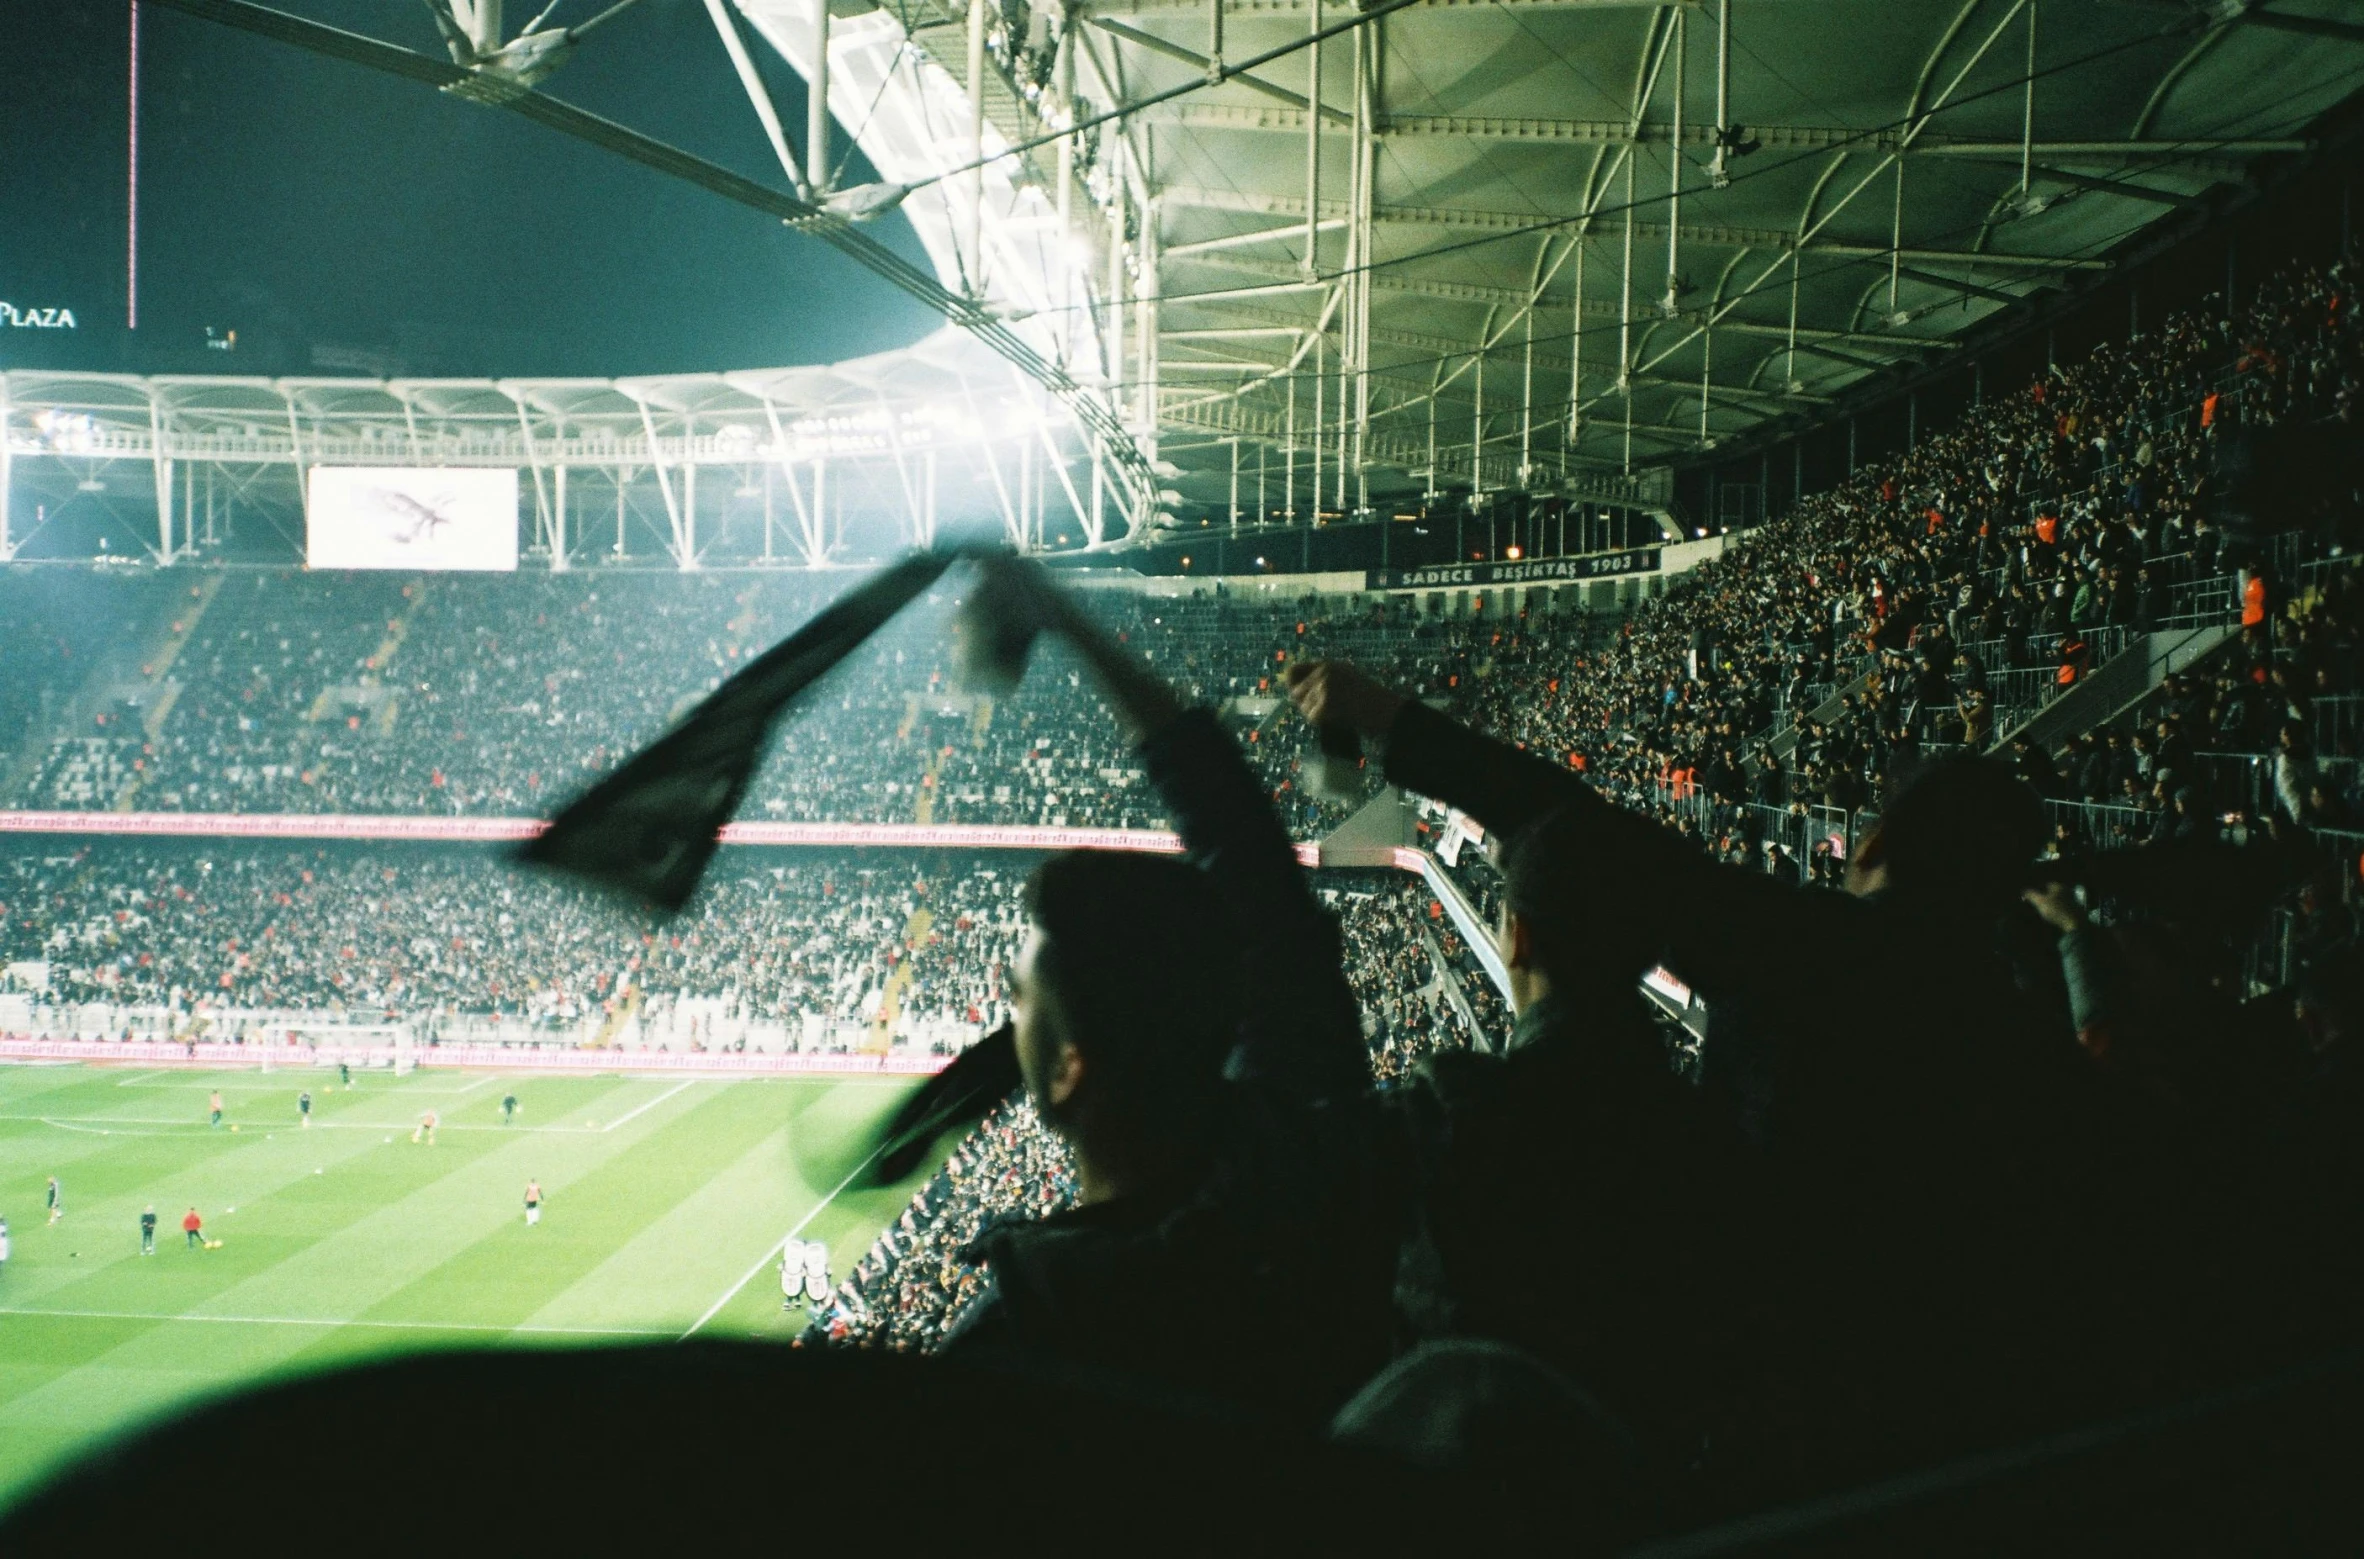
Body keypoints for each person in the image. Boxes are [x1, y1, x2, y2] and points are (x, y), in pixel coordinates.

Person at [933, 559, 1395, 1431]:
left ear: (1072, 1069)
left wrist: (1061, 619)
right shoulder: (1306, 1156)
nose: (1007, 1002)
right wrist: (1070, 623)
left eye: (1019, 990)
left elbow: (1249, 863)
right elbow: (1250, 856)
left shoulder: (1017, 1344)